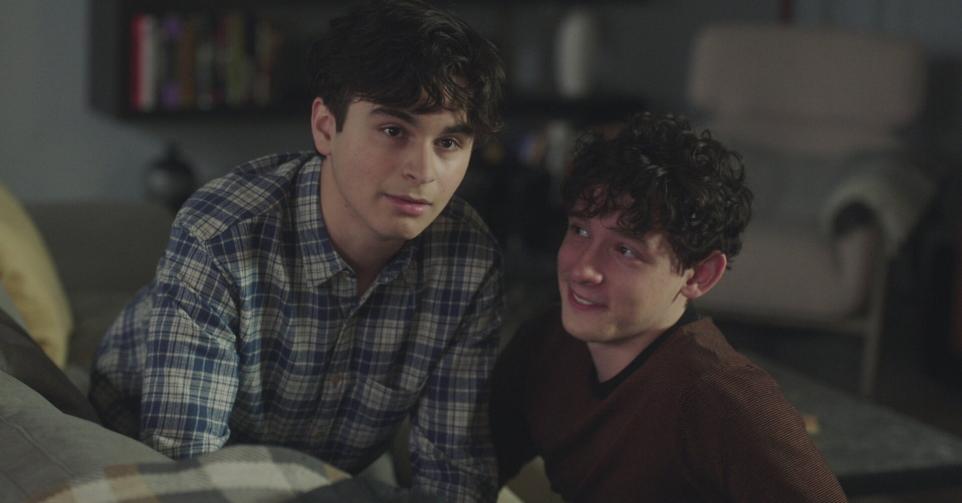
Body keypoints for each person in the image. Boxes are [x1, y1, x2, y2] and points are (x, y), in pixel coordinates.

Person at [90, 1, 506, 501]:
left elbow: (454, 478)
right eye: (394, 131)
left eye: (449, 143)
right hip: (136, 442)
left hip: (317, 471)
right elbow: (187, 474)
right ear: (326, 128)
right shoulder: (223, 234)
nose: (424, 171)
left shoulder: (469, 262)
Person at [490, 112, 848, 502]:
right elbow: (472, 466)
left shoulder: (724, 398)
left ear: (700, 275)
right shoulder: (546, 343)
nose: (583, 269)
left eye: (625, 250)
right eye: (580, 230)